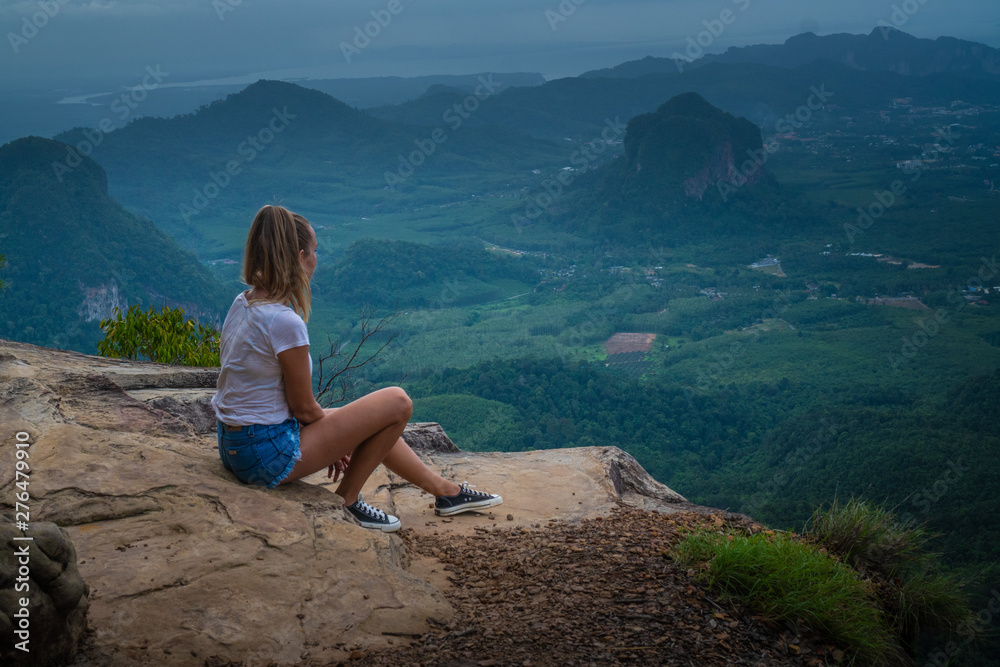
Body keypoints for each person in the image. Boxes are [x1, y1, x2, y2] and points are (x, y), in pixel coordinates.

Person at [211, 204, 502, 531]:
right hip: (264, 455)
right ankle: (348, 500)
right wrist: (336, 443)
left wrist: (337, 436)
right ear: (300, 255)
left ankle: (447, 493)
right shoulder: (283, 321)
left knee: (369, 419)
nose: (317, 260)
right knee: (397, 402)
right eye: (316, 252)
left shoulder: (244, 302)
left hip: (234, 445)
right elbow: (304, 408)